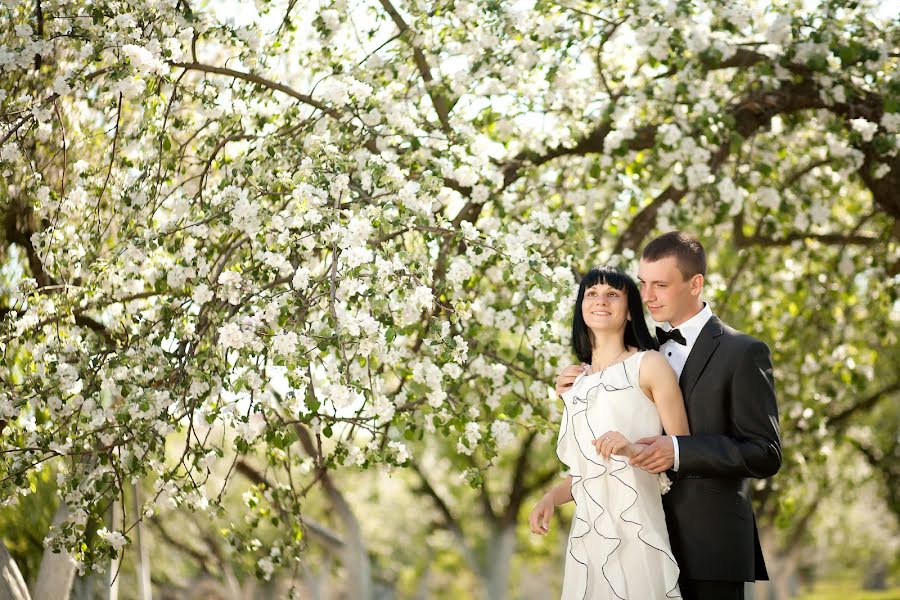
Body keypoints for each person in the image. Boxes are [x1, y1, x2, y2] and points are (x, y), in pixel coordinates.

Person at [555, 232, 782, 600]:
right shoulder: (639, 355)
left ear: (696, 284)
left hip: (709, 545)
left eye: (660, 285)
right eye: (643, 284)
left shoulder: (743, 352)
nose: (647, 297)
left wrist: (678, 450)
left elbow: (765, 452)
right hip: (639, 537)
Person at [529, 265, 690, 599]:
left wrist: (631, 450)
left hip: (638, 529)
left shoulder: (649, 365)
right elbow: (586, 471)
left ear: (630, 310)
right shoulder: (577, 382)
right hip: (588, 535)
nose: (601, 300)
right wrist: (550, 498)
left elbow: (684, 452)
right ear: (581, 307)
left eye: (612, 294)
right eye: (592, 293)